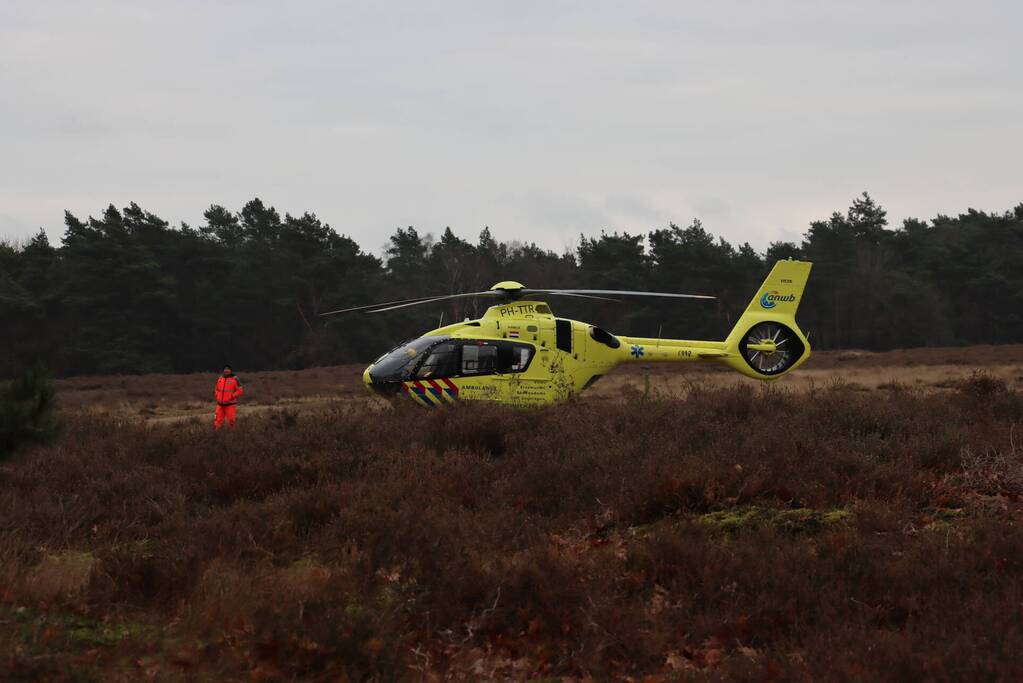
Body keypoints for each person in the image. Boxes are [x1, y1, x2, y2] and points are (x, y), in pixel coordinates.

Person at [214, 365, 244, 429]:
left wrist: (232, 396)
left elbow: (240, 390)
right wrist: (217, 395)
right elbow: (216, 389)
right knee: (217, 421)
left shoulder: (235, 379)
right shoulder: (220, 378)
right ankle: (216, 435)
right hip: (220, 405)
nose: (226, 370)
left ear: (230, 371)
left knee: (231, 421)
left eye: (228, 369)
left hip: (230, 405)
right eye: (225, 369)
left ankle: (232, 436)